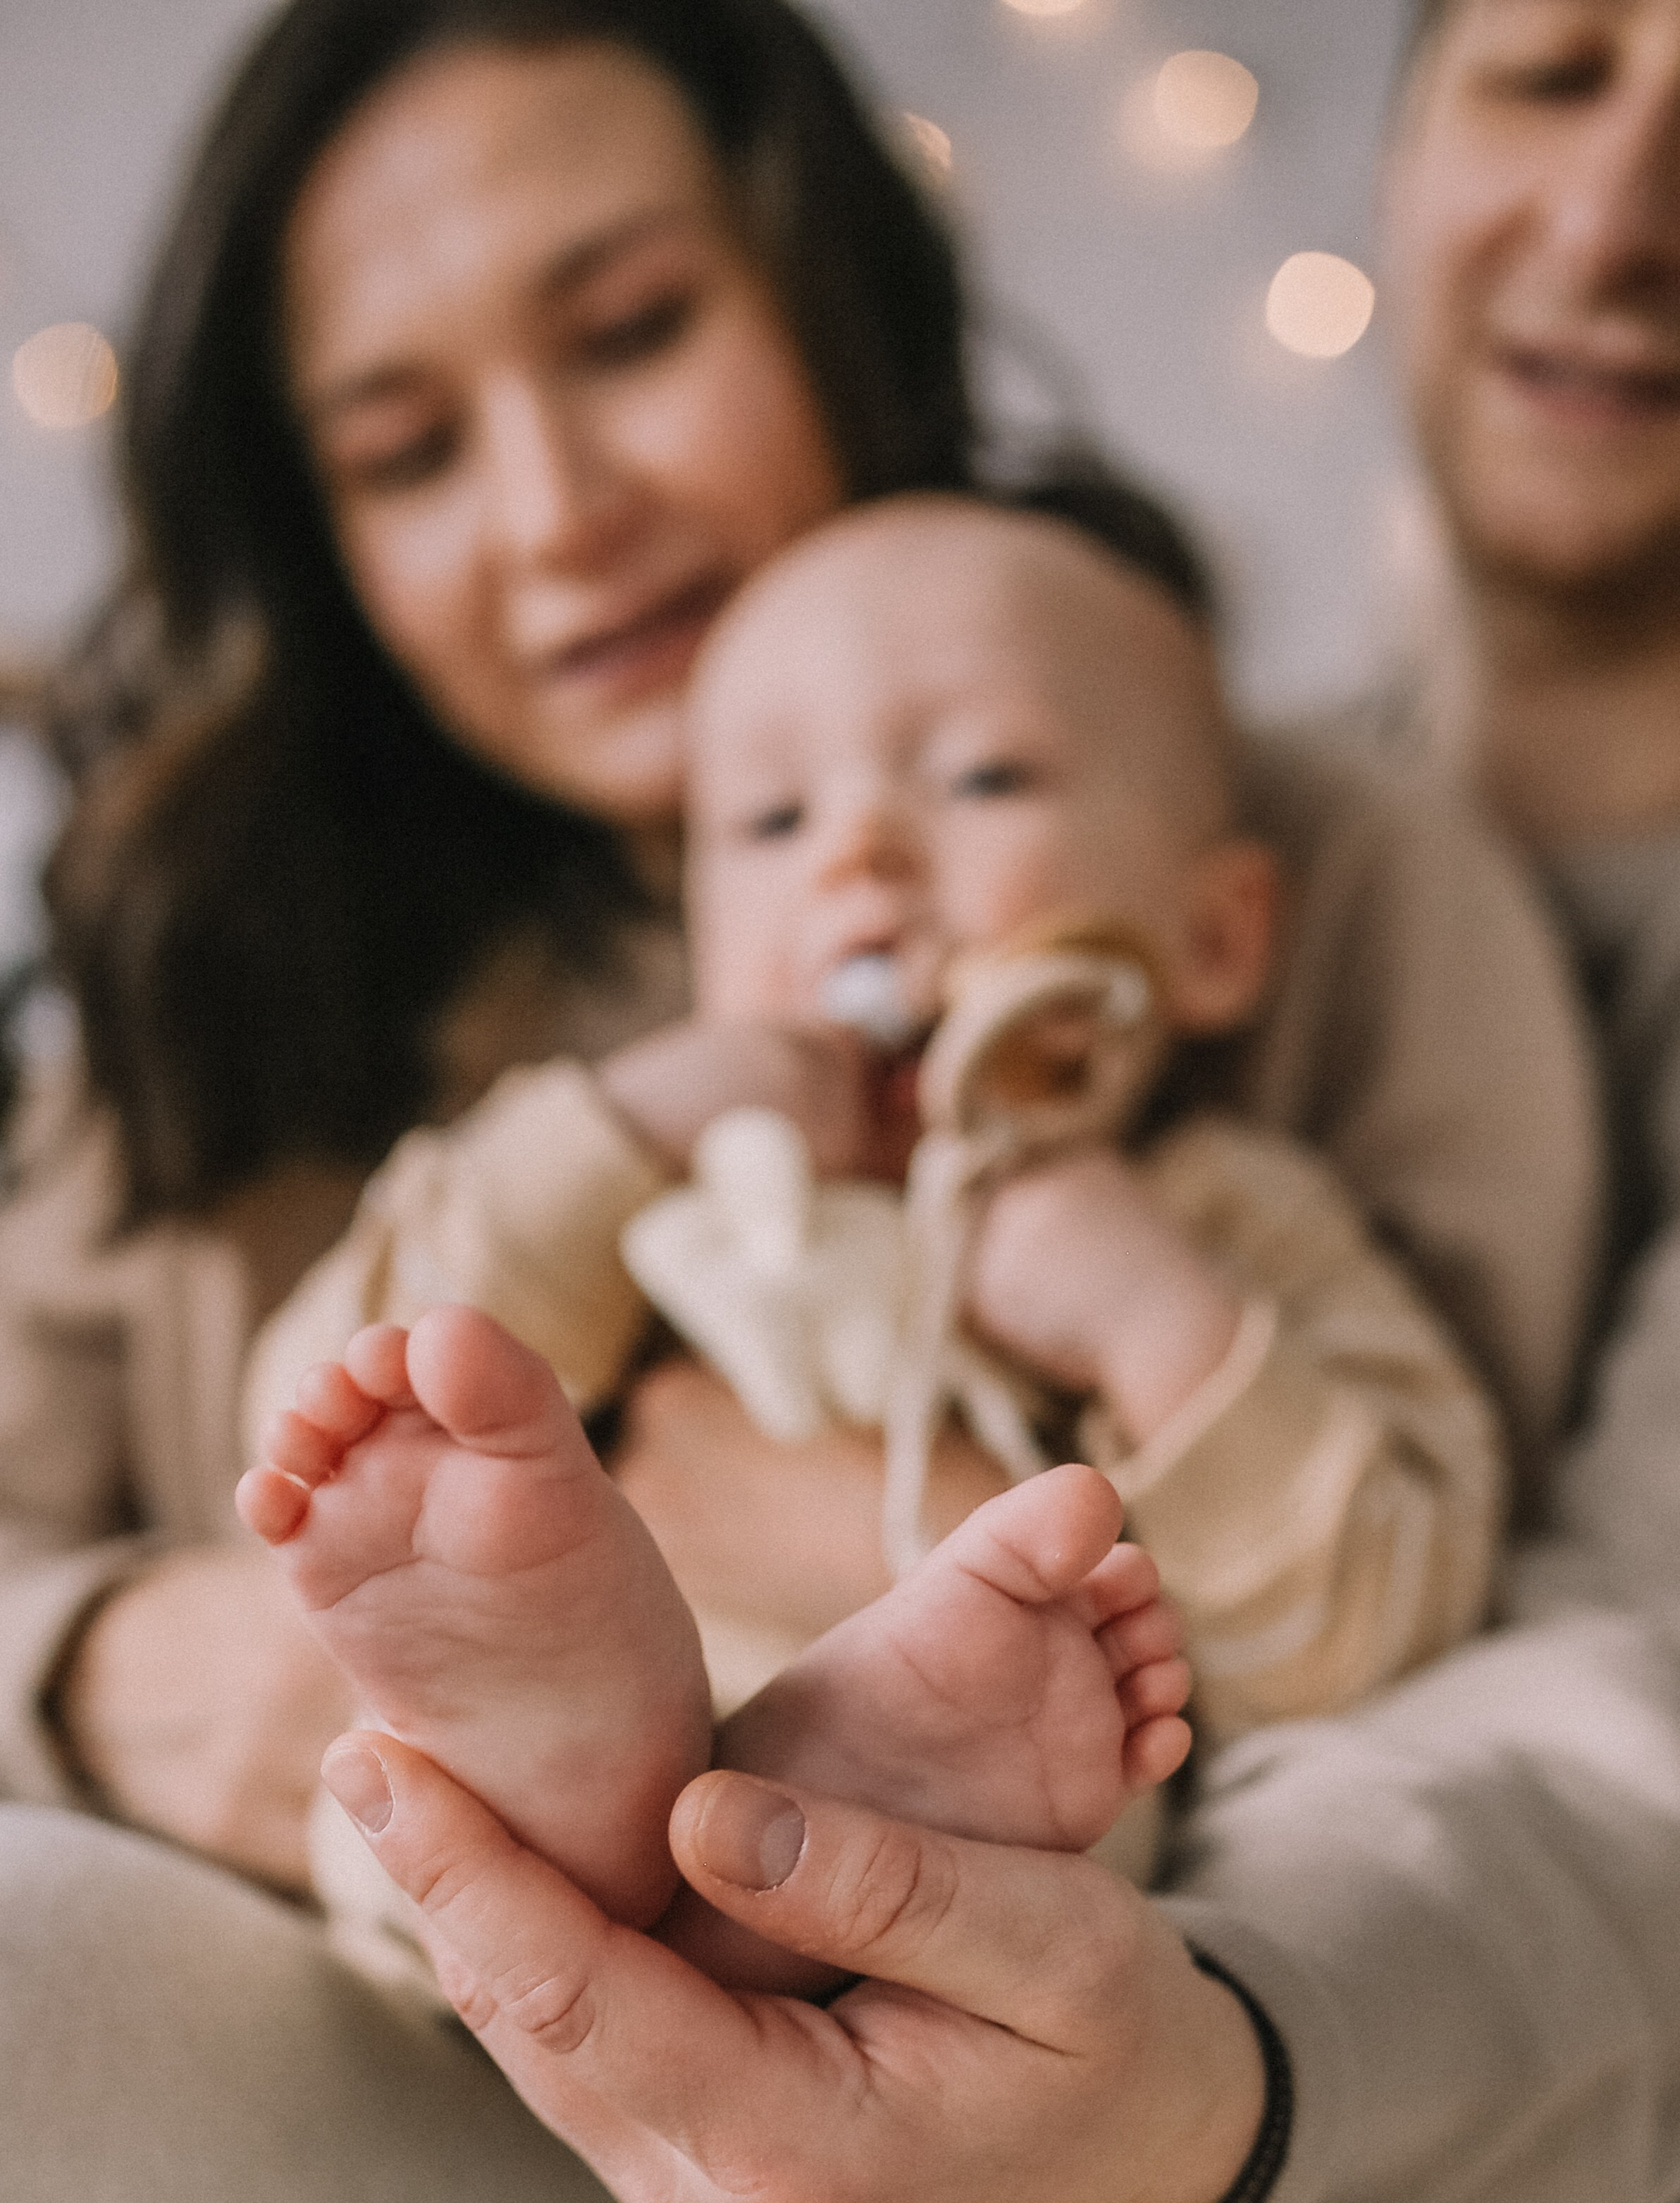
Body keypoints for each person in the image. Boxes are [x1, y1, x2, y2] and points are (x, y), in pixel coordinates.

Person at [0, 3, 1627, 2203]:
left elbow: (1441, 1633)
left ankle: (795, 1773)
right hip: (399, 1956)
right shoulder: (231, 964)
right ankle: (587, 1738)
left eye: (635, 329)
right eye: (406, 448)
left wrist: (1126, 1324)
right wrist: (111, 1654)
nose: (552, 515)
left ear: (829, 288)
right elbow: (371, 1368)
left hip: (1025, 1980)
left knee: (1014, 1728)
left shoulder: (1260, 883)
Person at [237, 491, 1514, 1989]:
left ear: (1215, 935)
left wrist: (1156, 1327)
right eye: (773, 821)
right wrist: (617, 1140)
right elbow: (315, 1425)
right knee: (411, 1746)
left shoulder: (1219, 1215)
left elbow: (1379, 1623)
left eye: (979, 778)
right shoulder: (638, 1167)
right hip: (599, 1735)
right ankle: (567, 1763)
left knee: (1055, 1742)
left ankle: (833, 1795)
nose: (856, 861)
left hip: (950, 1870)